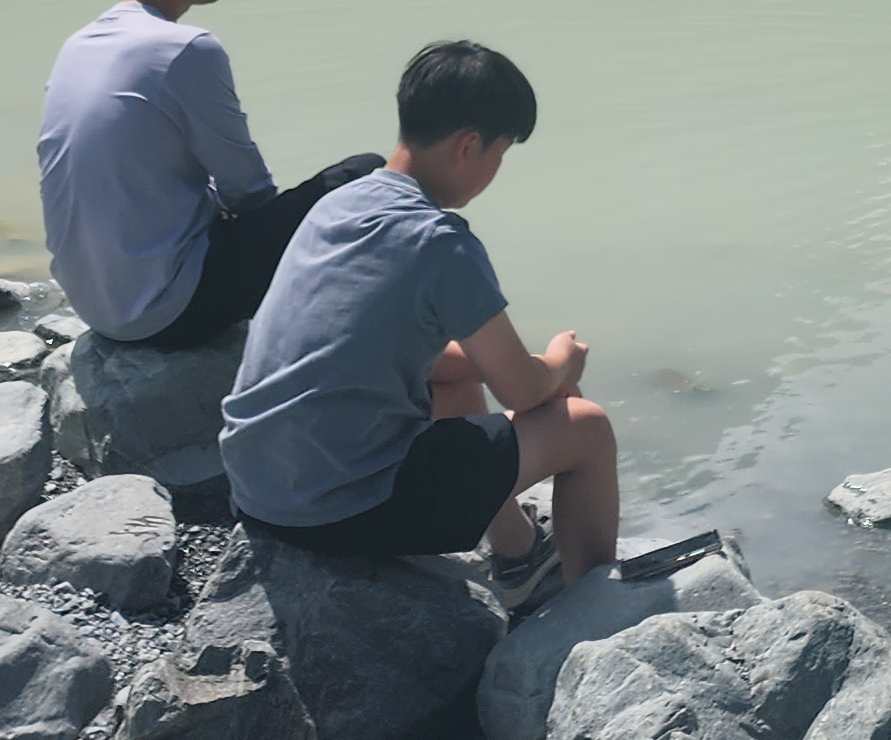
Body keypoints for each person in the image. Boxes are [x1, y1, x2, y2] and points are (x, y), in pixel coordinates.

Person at [218, 39, 617, 611]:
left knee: (454, 373)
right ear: (470, 146)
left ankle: (519, 554)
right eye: (501, 153)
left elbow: (375, 342)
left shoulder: (341, 204)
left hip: (257, 487)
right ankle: (593, 610)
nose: (497, 170)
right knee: (587, 427)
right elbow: (522, 389)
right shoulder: (441, 242)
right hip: (342, 509)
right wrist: (561, 361)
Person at [35, 0, 382, 351]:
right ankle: (375, 357)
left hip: (95, 307)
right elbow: (251, 194)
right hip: (170, 313)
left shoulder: (79, 44)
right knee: (366, 177)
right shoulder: (186, 49)